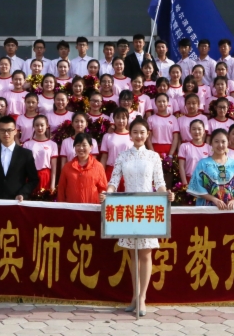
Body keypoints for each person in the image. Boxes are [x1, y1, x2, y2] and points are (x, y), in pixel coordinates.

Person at [99, 118, 174, 316]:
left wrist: (165, 194)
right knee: (133, 253)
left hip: (148, 208)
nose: (139, 136)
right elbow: (114, 181)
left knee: (146, 253)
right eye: (135, 132)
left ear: (148, 134)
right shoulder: (123, 156)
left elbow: (159, 183)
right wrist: (107, 193)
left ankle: (142, 297)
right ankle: (134, 295)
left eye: (142, 132)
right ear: (130, 135)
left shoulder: (153, 156)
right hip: (129, 208)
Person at [0, 116, 40, 200]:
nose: (6, 133)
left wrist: (22, 194)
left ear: (15, 131)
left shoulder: (26, 154)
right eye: (2, 130)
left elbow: (33, 179)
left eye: (9, 130)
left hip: (17, 201)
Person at [188, 128, 234, 208]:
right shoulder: (203, 164)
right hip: (208, 208)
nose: (220, 145)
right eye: (216, 141)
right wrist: (214, 199)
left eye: (223, 141)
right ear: (211, 143)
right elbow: (197, 187)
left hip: (232, 208)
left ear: (228, 143)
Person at [57, 133, 107, 204]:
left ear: (91, 147)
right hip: (72, 208)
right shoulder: (67, 167)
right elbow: (61, 189)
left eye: (84, 145)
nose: (81, 148)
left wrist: (103, 198)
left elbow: (103, 188)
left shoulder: (98, 166)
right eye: (78, 145)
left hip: (92, 207)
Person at [23, 115, 58, 196]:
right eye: (37, 125)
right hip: (31, 176)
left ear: (47, 126)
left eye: (42, 125)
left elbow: (54, 167)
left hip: (45, 176)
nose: (39, 128)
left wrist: (52, 185)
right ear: (33, 126)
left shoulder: (52, 144)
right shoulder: (27, 144)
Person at [99, 108, 132, 192]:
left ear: (127, 119)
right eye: (118, 118)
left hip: (128, 172)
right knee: (110, 198)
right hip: (111, 171)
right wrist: (101, 173)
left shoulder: (132, 136)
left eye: (123, 118)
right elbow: (104, 157)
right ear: (113, 119)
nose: (121, 121)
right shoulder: (107, 136)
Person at [178, 120, 211, 186]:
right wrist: (185, 184)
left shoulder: (209, 148)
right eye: (194, 129)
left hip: (205, 183)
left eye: (199, 129)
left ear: (204, 131)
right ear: (189, 131)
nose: (197, 132)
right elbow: (181, 166)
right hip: (189, 181)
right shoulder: (184, 146)